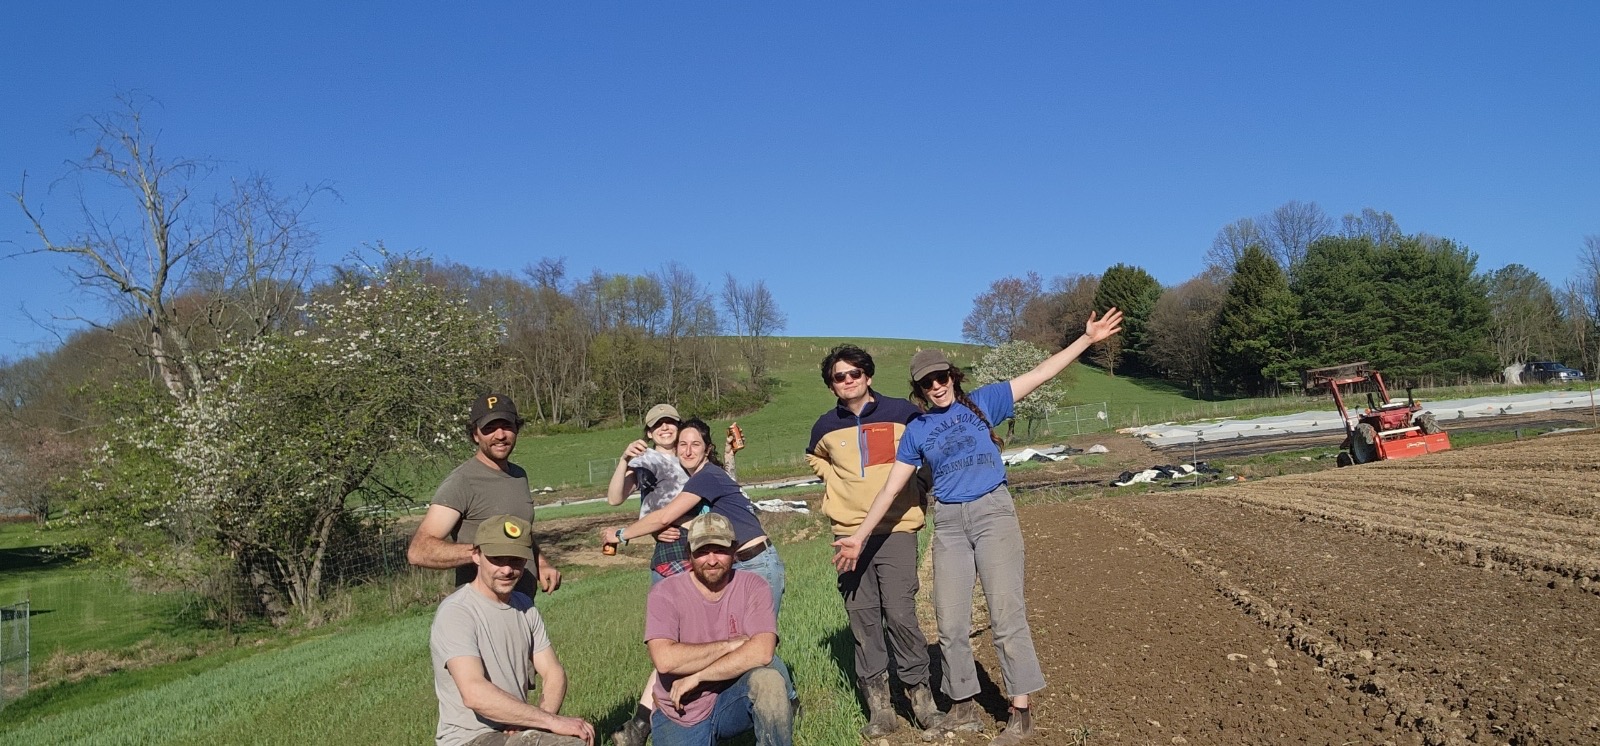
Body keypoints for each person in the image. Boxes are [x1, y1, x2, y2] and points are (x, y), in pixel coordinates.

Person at [833, 309, 1123, 746]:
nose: (937, 386)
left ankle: (1020, 711)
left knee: (1006, 615)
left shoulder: (985, 402)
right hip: (949, 523)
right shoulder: (917, 431)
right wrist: (858, 535)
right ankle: (963, 703)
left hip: (992, 514)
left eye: (941, 377)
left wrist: (1087, 340)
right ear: (920, 390)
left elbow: (1041, 373)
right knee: (950, 623)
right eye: (927, 383)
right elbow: (891, 489)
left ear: (952, 375)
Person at [805, 344, 942, 737]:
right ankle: (881, 710)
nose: (848, 381)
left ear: (868, 376)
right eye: (839, 377)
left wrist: (919, 485)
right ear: (831, 385)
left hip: (896, 528)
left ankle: (922, 700)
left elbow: (929, 450)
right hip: (848, 534)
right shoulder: (824, 426)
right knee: (863, 619)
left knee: (899, 613)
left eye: (854, 374)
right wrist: (835, 484)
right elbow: (815, 459)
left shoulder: (903, 412)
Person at [430, 514, 596, 746]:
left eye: (516, 560)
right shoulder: (457, 612)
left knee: (578, 738)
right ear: (477, 555)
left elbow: (553, 672)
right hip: (470, 738)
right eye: (497, 559)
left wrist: (535, 722)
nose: (507, 569)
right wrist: (549, 722)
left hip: (514, 728)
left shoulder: (524, 606)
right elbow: (474, 693)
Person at [644, 512, 793, 746]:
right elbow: (665, 660)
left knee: (769, 681)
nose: (712, 560)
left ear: (734, 551)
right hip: (681, 710)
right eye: (702, 551)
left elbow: (763, 652)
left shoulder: (753, 586)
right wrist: (730, 645)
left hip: (732, 696)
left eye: (720, 550)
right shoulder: (665, 592)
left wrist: (698, 676)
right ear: (689, 554)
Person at [409, 393, 561, 598]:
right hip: (481, 612)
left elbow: (517, 532)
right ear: (475, 435)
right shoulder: (462, 481)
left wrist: (541, 563)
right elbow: (419, 551)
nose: (500, 435)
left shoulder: (518, 475)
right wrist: (483, 552)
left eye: (506, 426)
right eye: (489, 428)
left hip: (522, 607)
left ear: (517, 429)